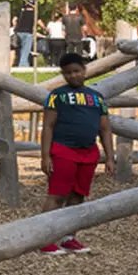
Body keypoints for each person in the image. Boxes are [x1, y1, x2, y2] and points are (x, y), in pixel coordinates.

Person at [38, 52, 113, 256]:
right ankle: (45, 238)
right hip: (63, 150)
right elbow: (48, 127)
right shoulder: (56, 96)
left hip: (88, 153)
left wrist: (110, 156)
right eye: (68, 73)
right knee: (58, 194)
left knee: (78, 194)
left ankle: (69, 237)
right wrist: (45, 156)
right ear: (63, 74)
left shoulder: (97, 98)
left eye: (77, 71)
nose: (73, 76)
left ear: (84, 70)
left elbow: (105, 129)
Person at [13, 1, 37, 68]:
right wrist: (45, 29)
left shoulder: (21, 12)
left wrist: (15, 26)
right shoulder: (34, 14)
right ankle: (23, 64)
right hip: (28, 33)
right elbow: (39, 22)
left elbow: (14, 20)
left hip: (19, 32)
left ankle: (24, 64)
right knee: (26, 49)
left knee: (20, 49)